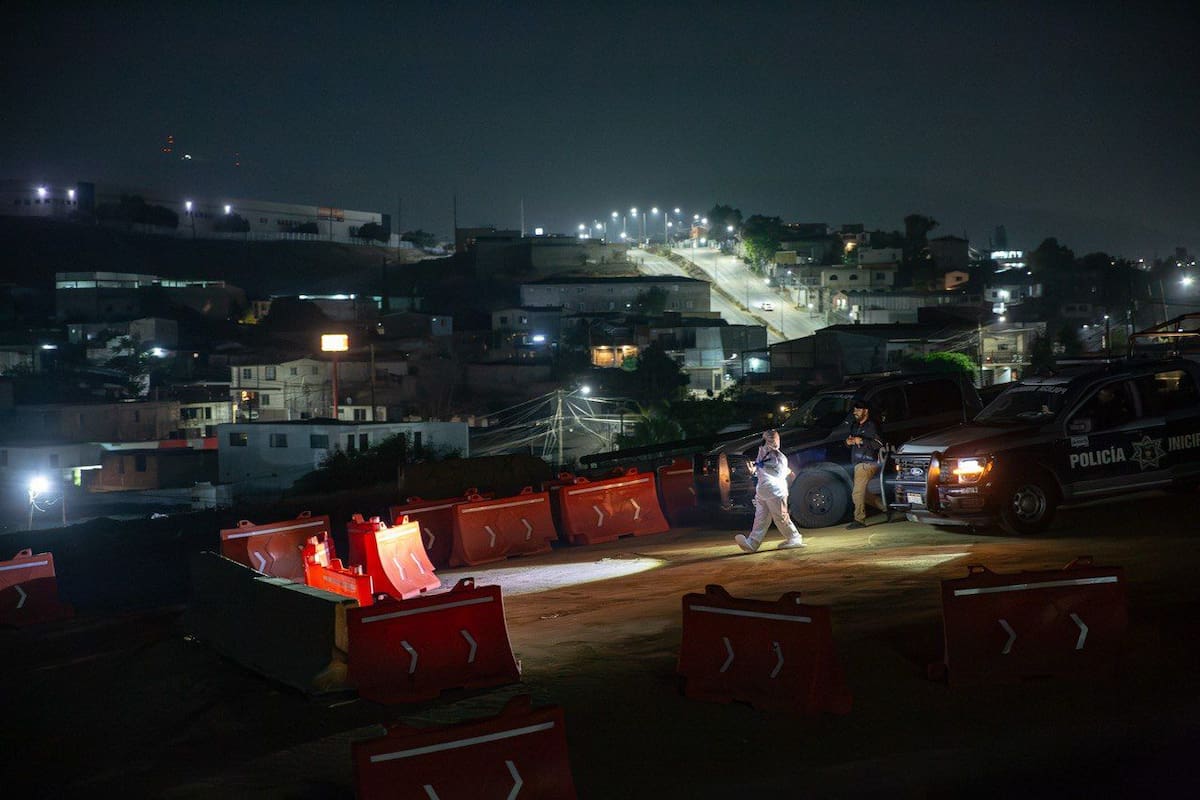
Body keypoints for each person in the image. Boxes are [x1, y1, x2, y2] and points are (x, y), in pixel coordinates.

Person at [734, 429, 806, 553]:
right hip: (763, 491)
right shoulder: (763, 453)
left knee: (780, 517)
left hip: (775, 491)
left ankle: (794, 538)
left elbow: (778, 472)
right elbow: (761, 469)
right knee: (761, 518)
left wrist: (762, 466)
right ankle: (753, 543)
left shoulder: (778, 457)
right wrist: (755, 468)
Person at [845, 399, 886, 529]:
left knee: (857, 493)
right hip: (857, 464)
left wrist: (861, 440)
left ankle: (859, 520)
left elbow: (878, 444)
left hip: (867, 463)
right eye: (854, 410)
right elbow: (850, 441)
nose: (855, 412)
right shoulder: (855, 425)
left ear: (866, 411)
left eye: (858, 409)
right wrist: (848, 442)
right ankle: (886, 508)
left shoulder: (872, 425)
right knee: (865, 494)